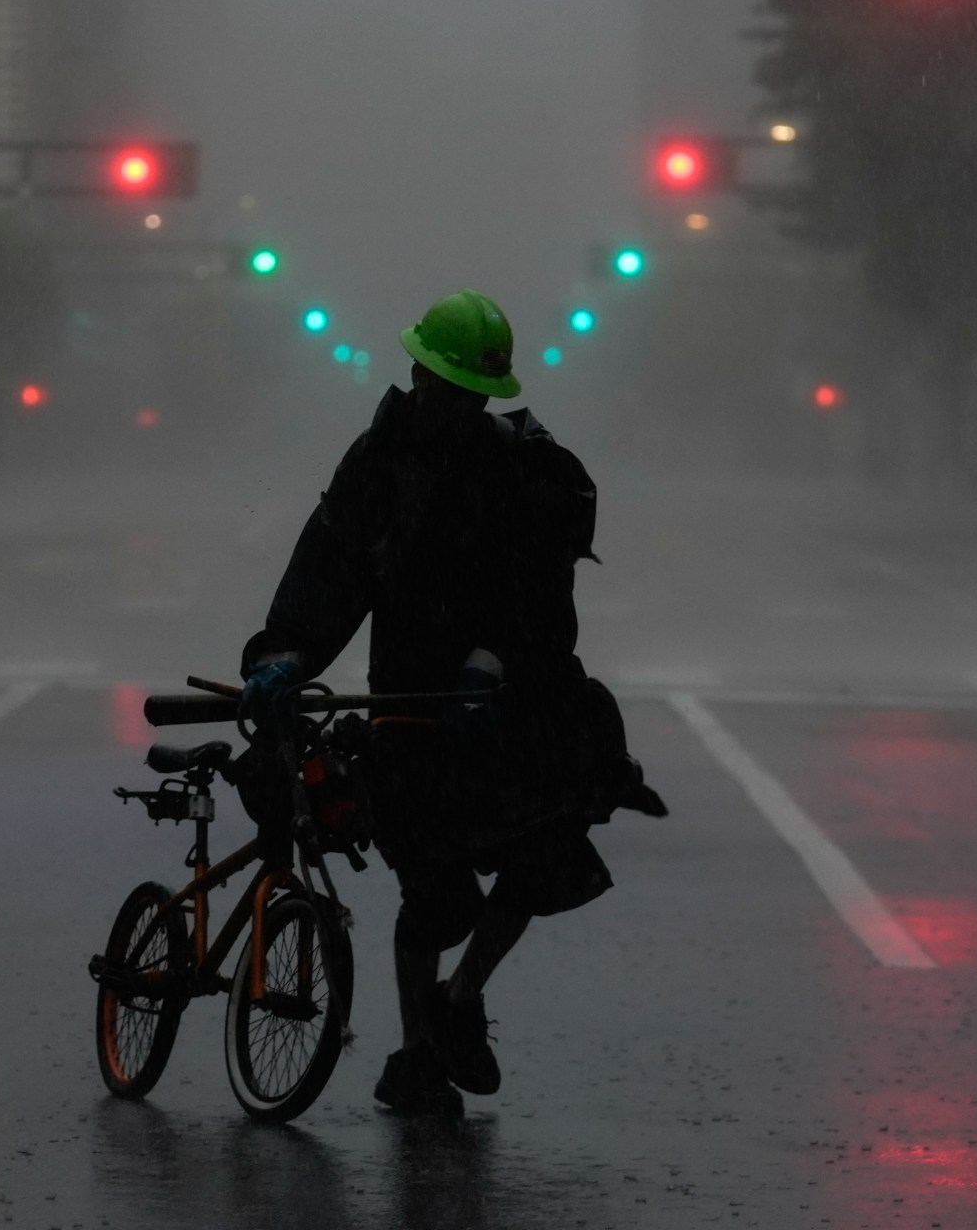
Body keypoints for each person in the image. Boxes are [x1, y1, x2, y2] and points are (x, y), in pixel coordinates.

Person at [237, 289, 665, 1117]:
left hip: (503, 707)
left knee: (547, 849)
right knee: (433, 894)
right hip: (406, 710)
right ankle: (415, 1057)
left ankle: (463, 996)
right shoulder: (382, 459)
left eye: (469, 392)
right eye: (444, 386)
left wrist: (494, 661)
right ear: (416, 375)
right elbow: (332, 562)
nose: (452, 403)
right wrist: (285, 652)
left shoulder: (525, 473)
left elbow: (541, 594)